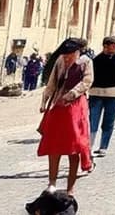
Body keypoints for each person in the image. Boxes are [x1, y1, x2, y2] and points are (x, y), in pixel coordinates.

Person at [38, 38, 94, 195]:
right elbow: (52, 83)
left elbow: (87, 81)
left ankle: (71, 187)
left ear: (77, 53)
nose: (67, 58)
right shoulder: (60, 62)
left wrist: (72, 94)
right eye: (65, 56)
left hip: (76, 107)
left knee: (74, 146)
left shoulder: (85, 62)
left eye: (70, 55)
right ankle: (52, 182)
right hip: (58, 105)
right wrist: (45, 100)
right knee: (53, 144)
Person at [86, 36, 115, 157]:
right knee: (93, 121)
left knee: (108, 122)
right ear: (104, 46)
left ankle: (103, 147)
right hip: (96, 93)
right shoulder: (96, 60)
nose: (112, 49)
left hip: (113, 94)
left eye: (114, 47)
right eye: (110, 47)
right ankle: (89, 146)